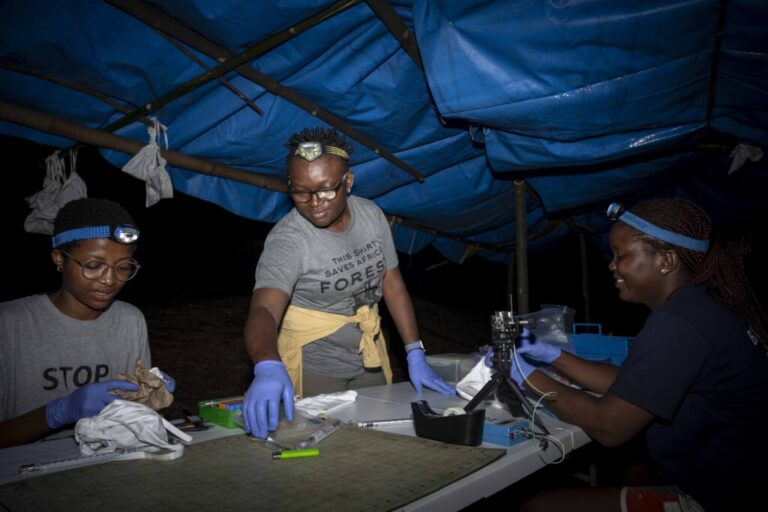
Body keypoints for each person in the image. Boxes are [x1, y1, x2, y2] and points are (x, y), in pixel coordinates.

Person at [506, 198, 768, 512]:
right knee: (630, 472)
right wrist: (550, 355)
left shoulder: (679, 323)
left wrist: (524, 377)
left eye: (622, 255)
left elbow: (609, 427)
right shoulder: (700, 305)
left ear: (666, 261)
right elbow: (635, 384)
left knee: (538, 509)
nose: (612, 265)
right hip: (740, 480)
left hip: (717, 497)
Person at [242, 127, 455, 439]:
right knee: (319, 457)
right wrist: (267, 365)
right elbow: (264, 309)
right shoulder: (289, 240)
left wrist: (414, 351)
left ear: (348, 182)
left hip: (368, 360)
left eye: (326, 189)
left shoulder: (371, 216)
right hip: (316, 369)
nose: (315, 203)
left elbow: (392, 283)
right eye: (302, 192)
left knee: (378, 441)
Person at [0, 197, 174, 448]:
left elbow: (132, 416)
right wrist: (56, 413)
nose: (110, 280)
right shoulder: (10, 325)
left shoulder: (129, 320)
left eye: (123, 267)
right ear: (59, 258)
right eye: (93, 266)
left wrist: (149, 396)